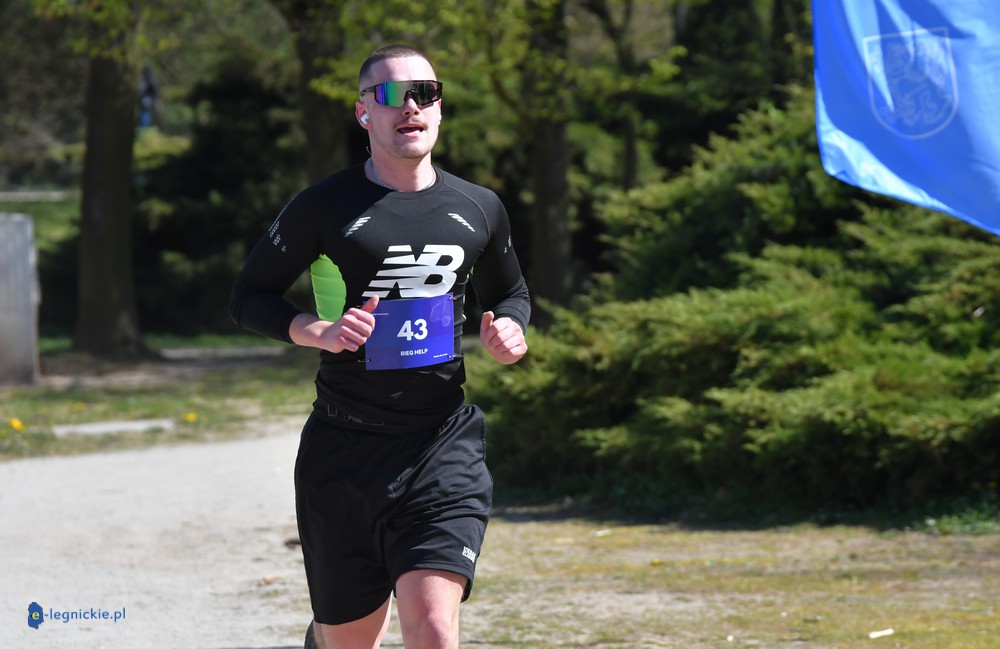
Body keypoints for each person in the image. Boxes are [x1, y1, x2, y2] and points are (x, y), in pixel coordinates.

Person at [229, 43, 530, 649]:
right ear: (364, 112)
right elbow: (249, 296)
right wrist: (316, 331)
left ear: (439, 109)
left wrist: (510, 329)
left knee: (435, 628)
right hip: (344, 451)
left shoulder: (479, 207)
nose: (411, 106)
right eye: (392, 94)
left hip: (441, 445)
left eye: (426, 92)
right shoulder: (324, 206)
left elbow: (512, 291)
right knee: (349, 640)